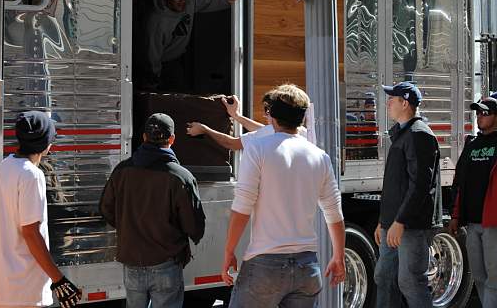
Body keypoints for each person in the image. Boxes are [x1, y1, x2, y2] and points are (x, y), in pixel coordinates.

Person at [220, 85, 346, 307]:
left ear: (272, 117)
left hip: (264, 265)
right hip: (307, 267)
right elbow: (334, 213)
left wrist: (229, 251)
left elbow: (242, 207)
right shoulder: (320, 157)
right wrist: (338, 256)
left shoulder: (258, 149)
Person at [99, 113, 206, 308]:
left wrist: (128, 227)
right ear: (172, 139)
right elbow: (194, 225)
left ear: (144, 137)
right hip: (166, 262)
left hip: (131, 261)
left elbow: (106, 209)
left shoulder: (122, 170)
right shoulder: (181, 177)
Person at [0, 111, 81, 308]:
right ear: (46, 144)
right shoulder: (31, 175)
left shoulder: (4, 166)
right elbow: (30, 232)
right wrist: (58, 279)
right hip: (23, 290)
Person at [373, 82, 440, 308]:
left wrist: (400, 221)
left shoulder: (419, 135)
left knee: (410, 282)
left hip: (409, 226)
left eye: (391, 99)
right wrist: (384, 222)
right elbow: (395, 185)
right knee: (384, 277)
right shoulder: (403, 134)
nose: (387, 103)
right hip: (392, 224)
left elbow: (420, 185)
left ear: (405, 102)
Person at [136, 0, 236, 90]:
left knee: (181, 90)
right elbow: (151, 56)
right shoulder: (155, 21)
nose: (182, 2)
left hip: (179, 57)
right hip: (162, 61)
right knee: (163, 93)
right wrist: (152, 82)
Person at [449, 97, 497, 307]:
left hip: (493, 224)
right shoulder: (472, 145)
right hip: (472, 223)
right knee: (478, 276)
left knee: (494, 280)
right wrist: (455, 216)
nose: (480, 117)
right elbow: (459, 182)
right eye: (478, 113)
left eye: (485, 113)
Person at [186, 87, 313, 150]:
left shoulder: (266, 138)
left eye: (267, 111)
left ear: (275, 113)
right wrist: (237, 116)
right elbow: (264, 129)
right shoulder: (304, 134)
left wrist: (204, 129)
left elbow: (232, 143)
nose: (265, 115)